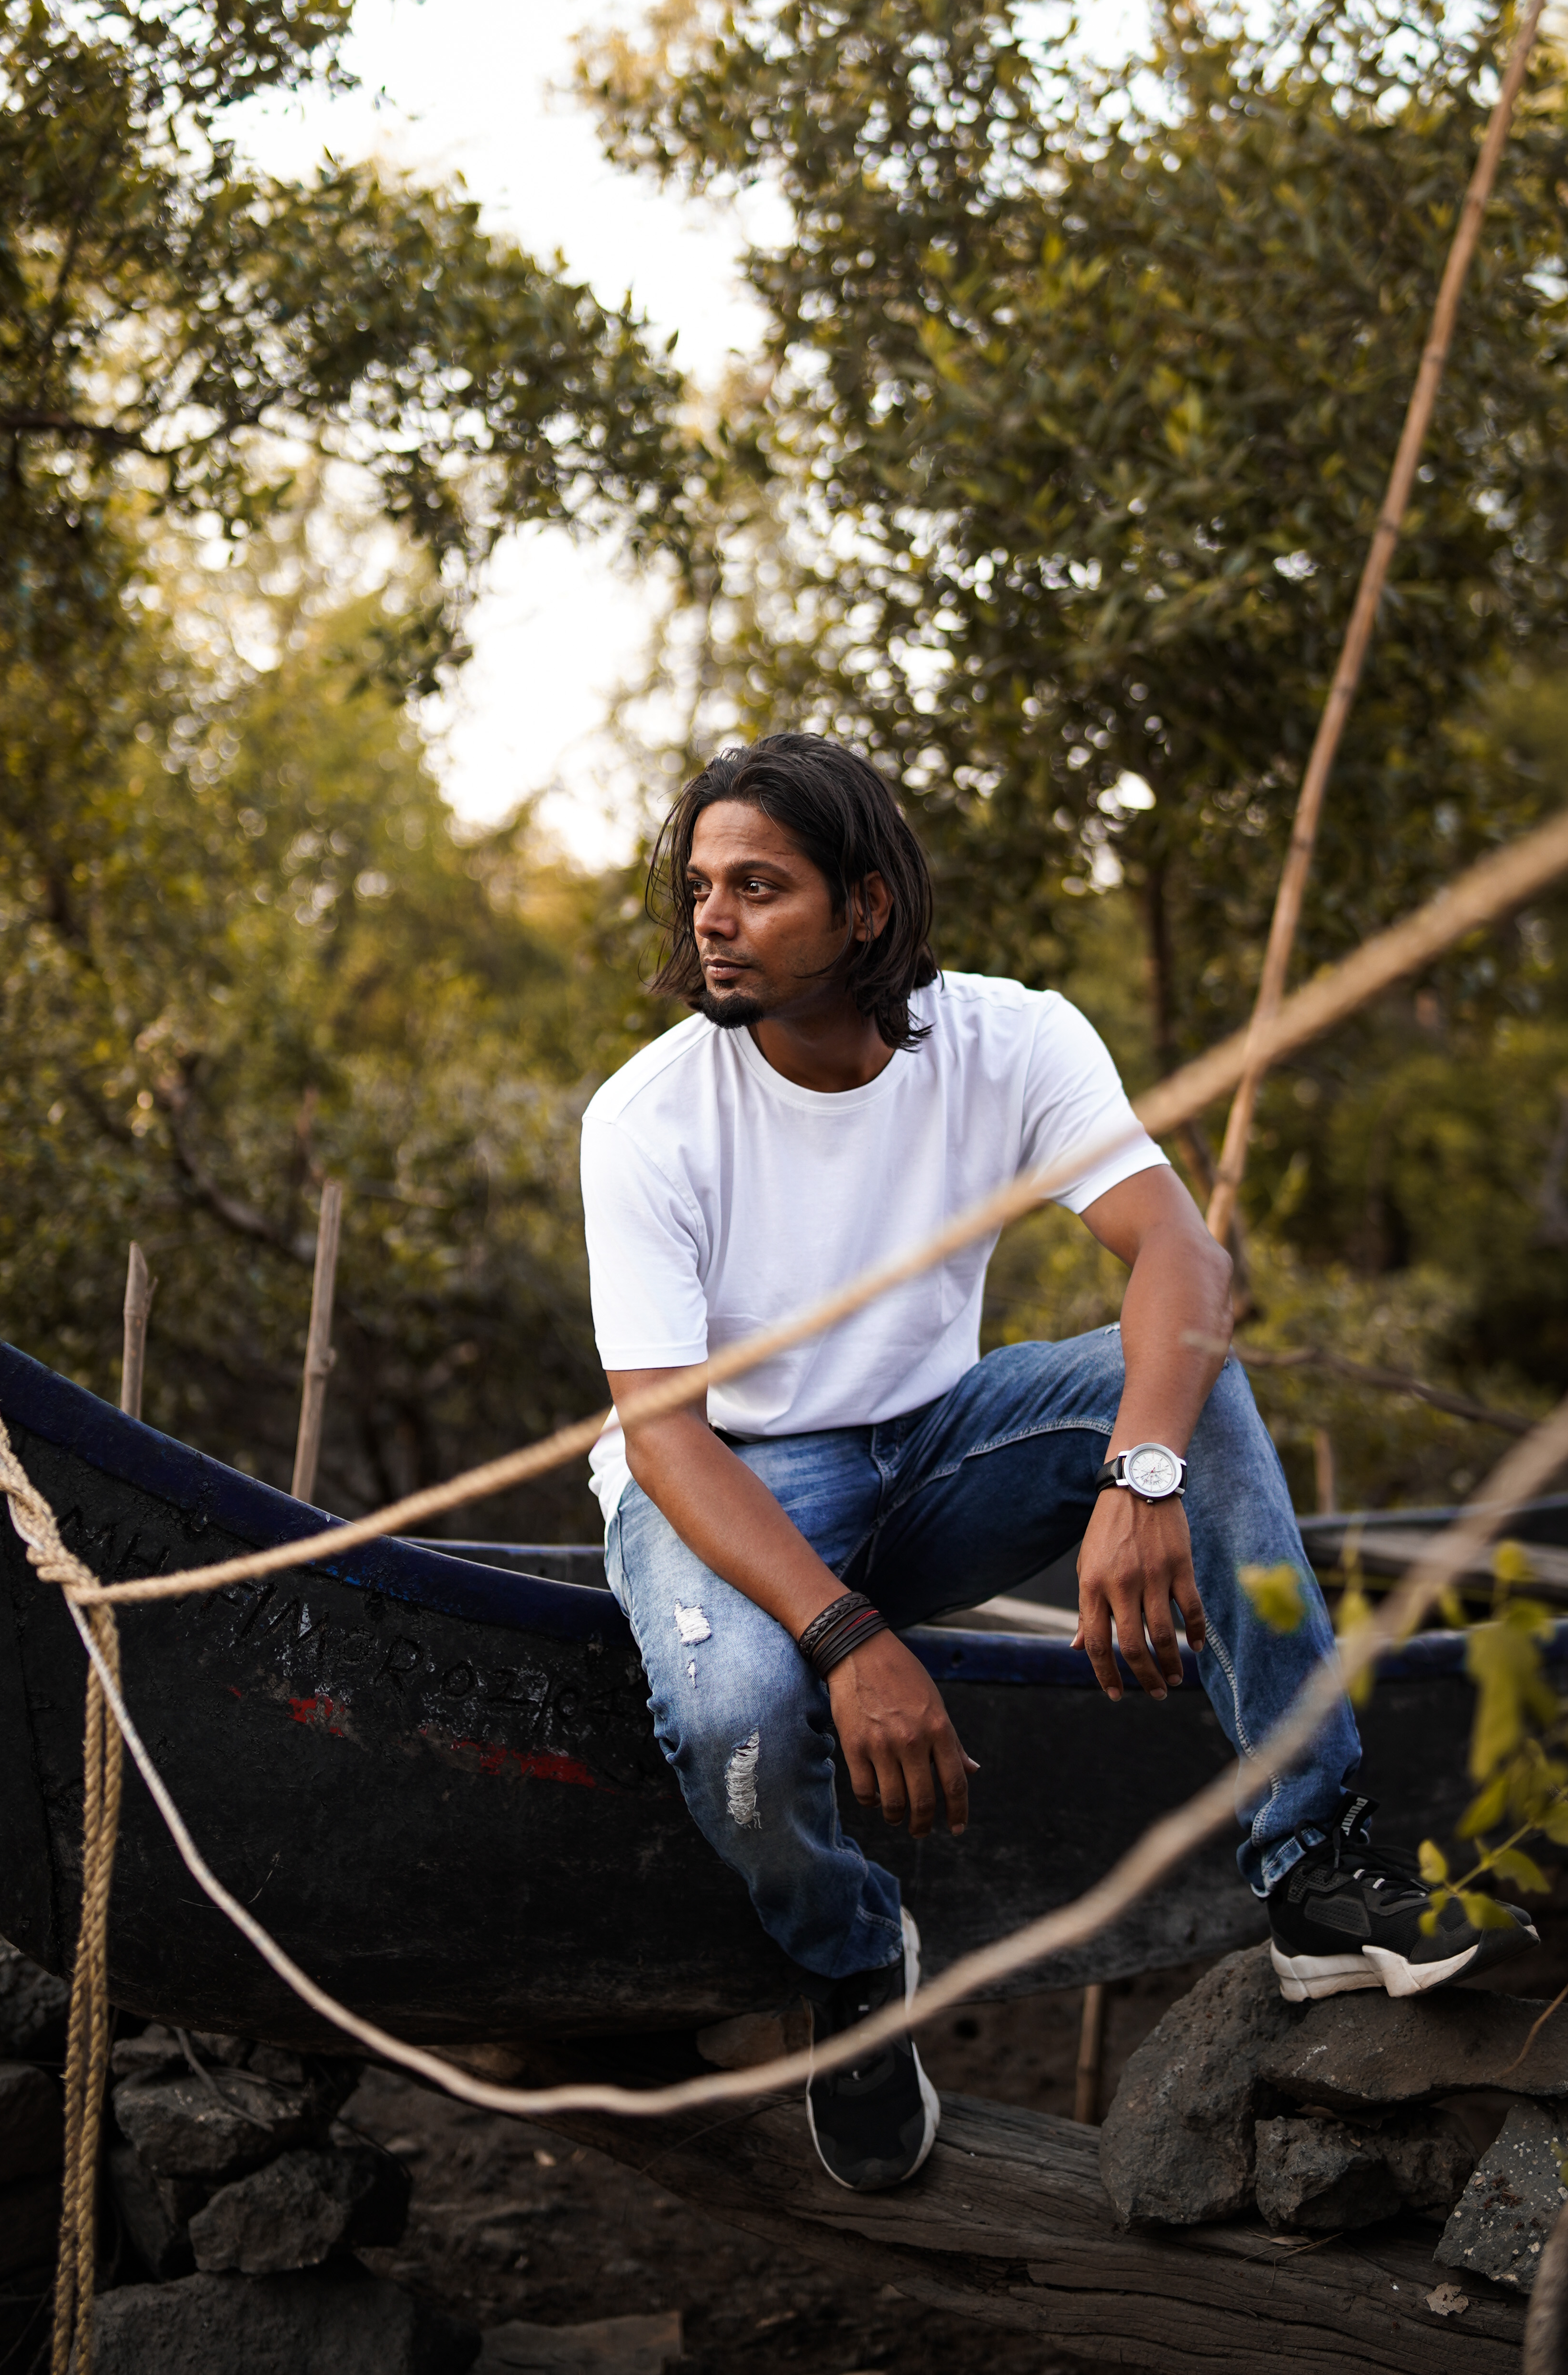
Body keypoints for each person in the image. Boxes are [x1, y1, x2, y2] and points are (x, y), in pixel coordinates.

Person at [580, 734, 1535, 2192]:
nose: (712, 917)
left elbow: (1182, 1258)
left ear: (867, 906)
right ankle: (853, 1957)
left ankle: (1314, 1874)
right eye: (702, 886)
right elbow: (663, 1431)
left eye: (758, 887)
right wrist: (848, 1639)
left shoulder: (1007, 1039)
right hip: (730, 1479)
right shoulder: (650, 1117)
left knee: (1193, 1383)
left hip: (937, 1447)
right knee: (739, 1727)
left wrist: (1141, 1476)